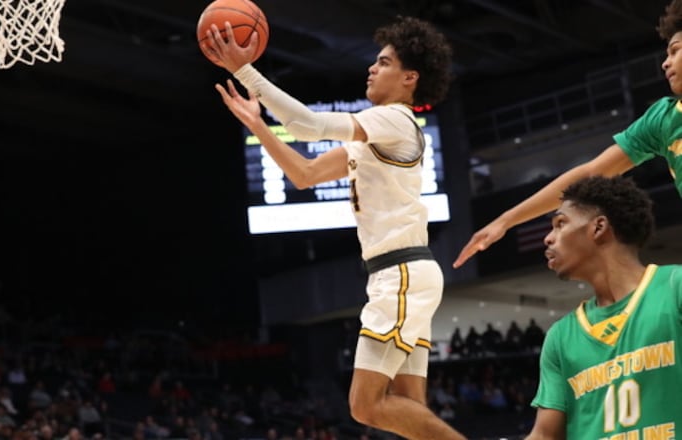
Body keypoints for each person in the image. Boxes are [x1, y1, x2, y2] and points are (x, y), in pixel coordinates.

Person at [204, 15, 465, 440]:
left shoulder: (394, 119)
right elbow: (305, 174)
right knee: (411, 412)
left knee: (364, 405)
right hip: (407, 275)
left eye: (383, 62)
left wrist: (244, 70)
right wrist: (256, 125)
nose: (371, 68)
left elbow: (308, 124)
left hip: (400, 274)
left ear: (409, 78)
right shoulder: (378, 134)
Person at [452, 0, 682, 269]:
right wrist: (507, 219)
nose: (665, 63)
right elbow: (590, 174)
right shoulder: (663, 119)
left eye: (675, 51)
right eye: (666, 54)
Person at [525, 175, 682, 439]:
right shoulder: (560, 337)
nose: (548, 239)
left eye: (560, 224)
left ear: (598, 228)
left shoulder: (674, 288)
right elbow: (545, 436)